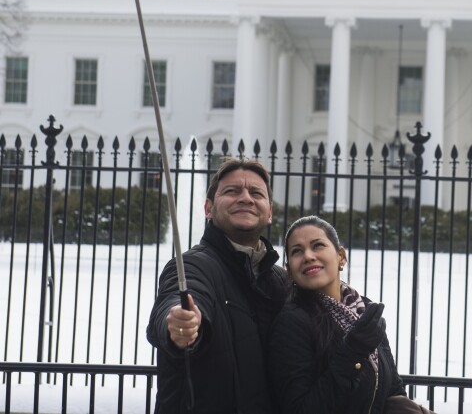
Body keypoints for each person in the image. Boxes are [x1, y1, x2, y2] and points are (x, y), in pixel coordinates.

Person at [147, 158, 288, 414]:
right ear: (208, 208)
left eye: (256, 192)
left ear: (269, 213)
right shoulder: (193, 265)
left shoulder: (281, 281)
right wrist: (181, 325)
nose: (245, 198)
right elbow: (179, 297)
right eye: (232, 191)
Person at [268, 215, 433, 414]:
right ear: (290, 271)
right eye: (297, 251)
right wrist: (352, 351)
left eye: (318, 245)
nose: (308, 256)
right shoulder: (291, 322)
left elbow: (391, 389)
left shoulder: (364, 310)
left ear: (341, 257)